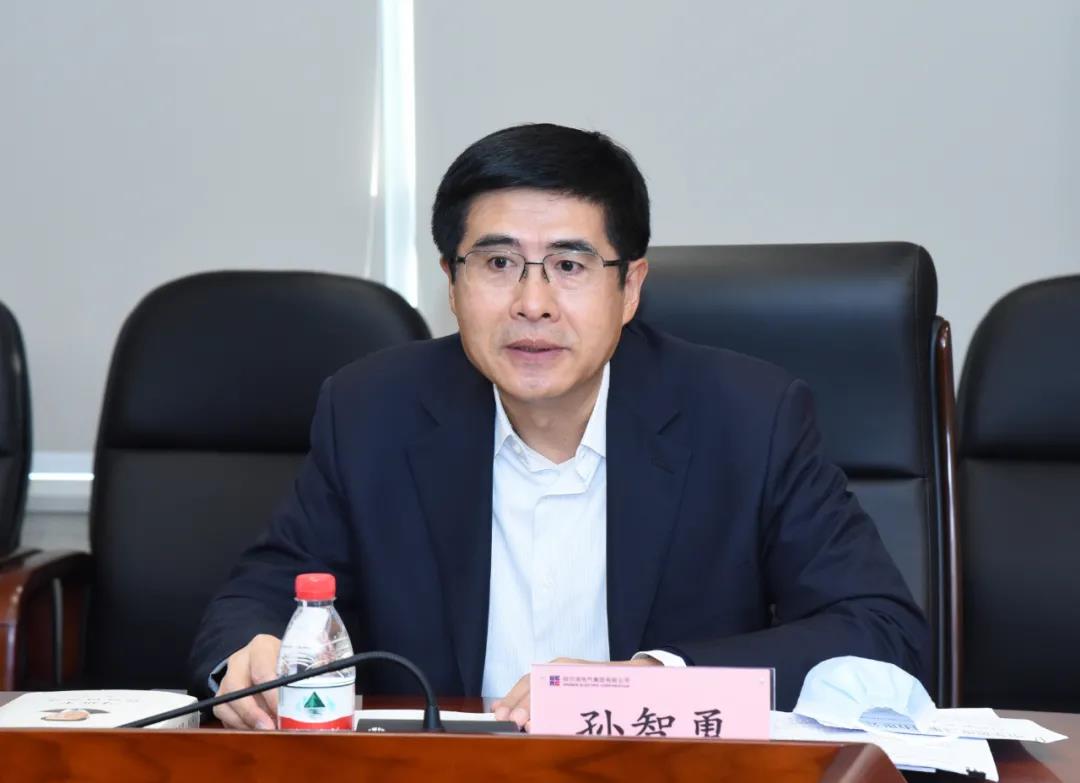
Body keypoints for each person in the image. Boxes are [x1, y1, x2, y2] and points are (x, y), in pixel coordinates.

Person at [189, 123, 929, 731]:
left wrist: (655, 681)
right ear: (452, 282)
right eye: (498, 262)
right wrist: (250, 654)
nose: (533, 303)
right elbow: (260, 596)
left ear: (630, 286)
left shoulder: (747, 416)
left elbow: (879, 629)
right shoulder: (373, 410)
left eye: (570, 265)